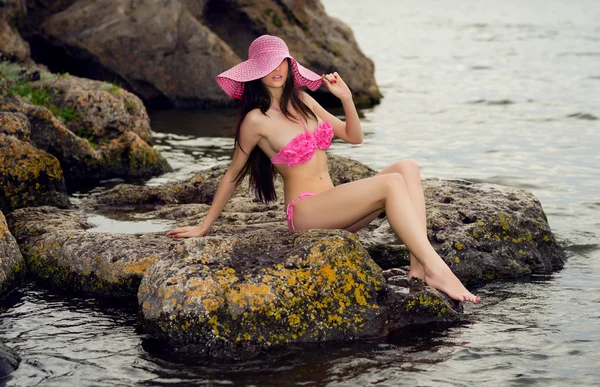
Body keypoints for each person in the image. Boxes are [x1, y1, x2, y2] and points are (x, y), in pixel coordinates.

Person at [165, 35, 479, 303]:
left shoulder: (303, 100)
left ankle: (419, 268)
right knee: (391, 183)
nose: (276, 70)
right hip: (306, 214)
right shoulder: (255, 121)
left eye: (281, 62)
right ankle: (438, 269)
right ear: (255, 73)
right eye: (267, 65)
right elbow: (233, 174)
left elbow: (353, 137)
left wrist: (346, 98)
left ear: (290, 66)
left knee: (406, 168)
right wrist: (204, 226)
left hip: (336, 210)